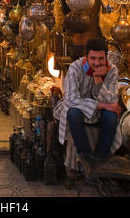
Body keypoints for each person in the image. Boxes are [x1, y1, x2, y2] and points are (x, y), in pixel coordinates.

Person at [53, 38, 122, 170]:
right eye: (93, 58)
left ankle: (100, 161)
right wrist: (103, 105)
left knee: (111, 117)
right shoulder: (75, 68)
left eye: (101, 58)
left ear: (106, 57)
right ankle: (87, 159)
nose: (97, 63)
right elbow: (71, 100)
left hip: (98, 112)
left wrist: (98, 80)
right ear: (86, 57)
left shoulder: (112, 70)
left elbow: (112, 100)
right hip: (77, 108)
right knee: (73, 113)